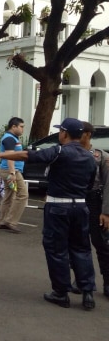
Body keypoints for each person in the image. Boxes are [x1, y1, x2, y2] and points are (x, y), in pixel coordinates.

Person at [0, 117, 97, 310]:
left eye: (61, 131)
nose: (59, 134)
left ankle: (61, 293)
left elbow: (27, 156)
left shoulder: (59, 151)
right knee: (82, 249)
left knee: (57, 250)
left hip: (58, 207)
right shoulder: (89, 157)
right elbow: (90, 185)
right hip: (80, 207)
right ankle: (87, 293)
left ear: (65, 133)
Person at [78, 122, 109, 299]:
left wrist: (106, 212)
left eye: (80, 132)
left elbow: (108, 185)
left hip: (95, 202)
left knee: (102, 244)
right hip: (75, 201)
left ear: (88, 134)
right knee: (77, 244)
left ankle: (107, 280)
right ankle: (81, 280)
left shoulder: (101, 156)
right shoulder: (68, 153)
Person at [0, 117, 28, 233]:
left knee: (9, 196)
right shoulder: (9, 138)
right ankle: (11, 222)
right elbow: (10, 157)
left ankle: (3, 221)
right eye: (21, 126)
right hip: (11, 171)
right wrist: (12, 173)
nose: (23, 129)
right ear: (13, 127)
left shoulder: (12, 138)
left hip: (8, 170)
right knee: (23, 194)